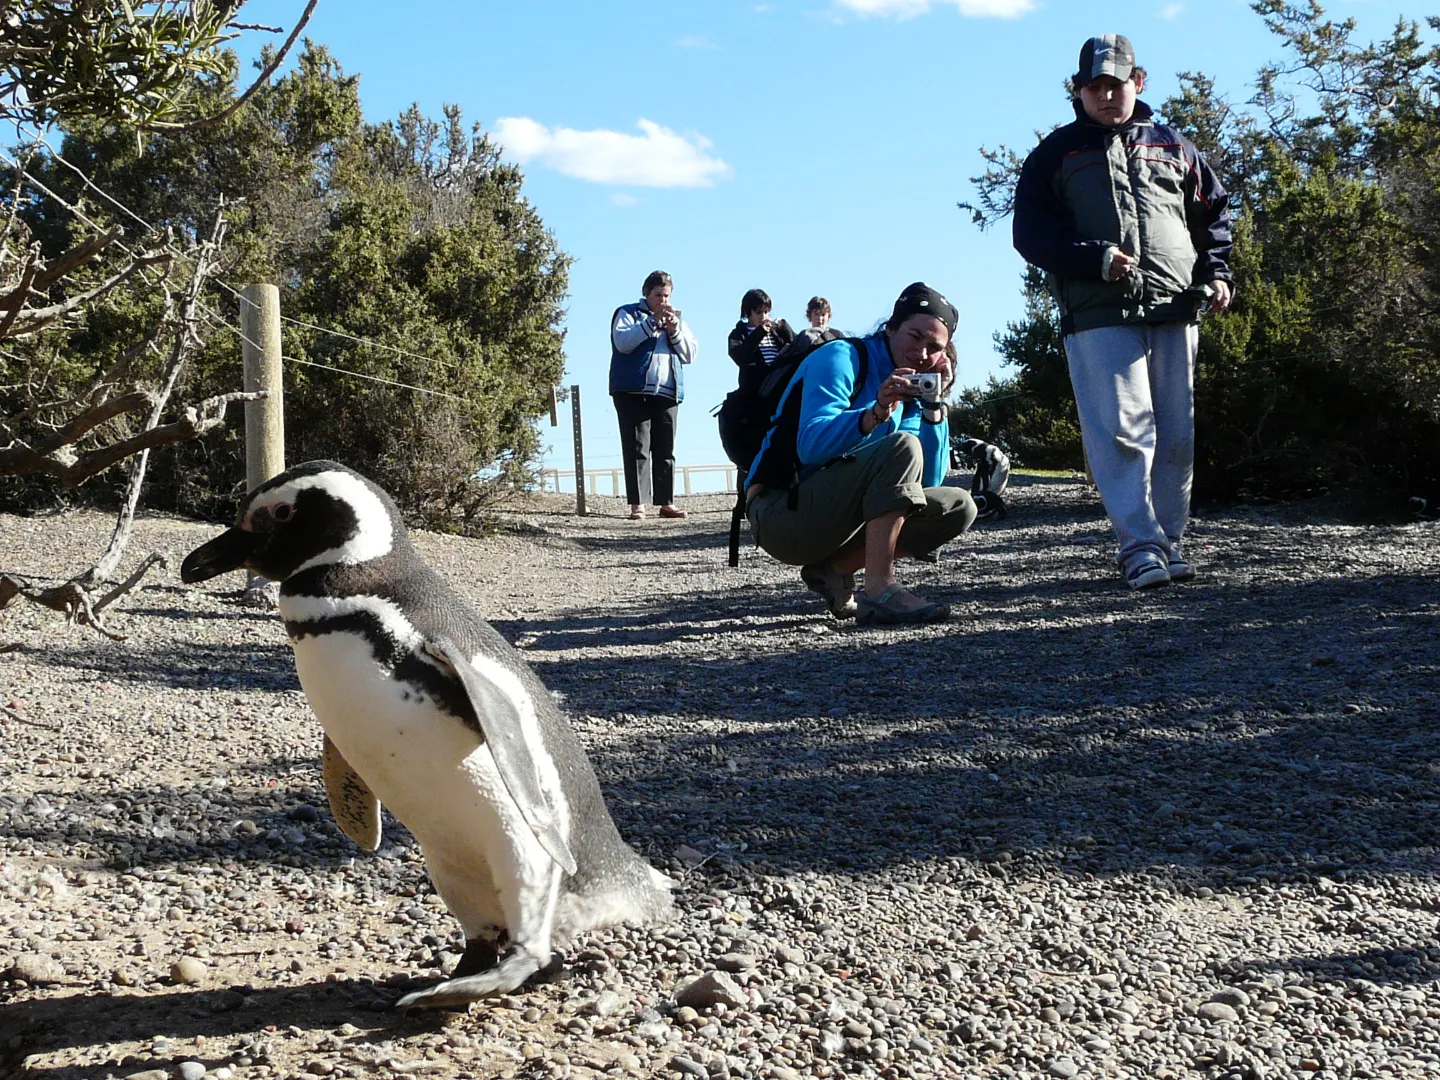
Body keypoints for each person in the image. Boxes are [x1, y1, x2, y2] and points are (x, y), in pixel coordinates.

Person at [1012, 34, 1234, 589]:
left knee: (1176, 432)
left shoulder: (1177, 147)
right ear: (1079, 91)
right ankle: (1138, 546)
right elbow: (1031, 234)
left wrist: (1218, 274)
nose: (1106, 95)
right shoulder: (1053, 155)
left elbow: (1214, 216)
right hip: (1098, 315)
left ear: (1139, 82)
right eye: (1095, 87)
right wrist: (1095, 258)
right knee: (1121, 432)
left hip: (1177, 306)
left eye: (1116, 84)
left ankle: (1169, 542)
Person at [744, 283, 978, 626]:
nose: (922, 353)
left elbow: (924, 484)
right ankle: (880, 592)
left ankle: (834, 570)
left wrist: (933, 406)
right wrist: (875, 413)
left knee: (957, 505)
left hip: (838, 518)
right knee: (902, 445)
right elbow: (810, 445)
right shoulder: (842, 357)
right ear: (891, 327)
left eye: (934, 347)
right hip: (782, 513)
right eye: (914, 336)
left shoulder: (911, 387)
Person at [609, 270, 698, 520]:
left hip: (667, 392)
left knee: (665, 448)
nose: (663, 301)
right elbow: (623, 342)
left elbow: (690, 354)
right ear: (646, 294)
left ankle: (666, 501)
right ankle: (638, 503)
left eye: (667, 295)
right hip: (632, 390)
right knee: (637, 446)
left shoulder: (677, 319)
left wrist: (674, 331)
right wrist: (650, 324)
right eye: (658, 295)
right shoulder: (627, 313)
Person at [726, 288, 795, 393]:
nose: (763, 316)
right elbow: (740, 357)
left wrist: (784, 327)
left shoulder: (776, 332)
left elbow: (797, 345)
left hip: (781, 385)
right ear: (748, 313)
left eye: (766, 312)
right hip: (755, 391)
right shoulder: (738, 334)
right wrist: (759, 332)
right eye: (758, 312)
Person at [779, 295, 844, 362]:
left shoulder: (837, 335)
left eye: (823, 314)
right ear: (810, 315)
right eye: (816, 314)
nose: (820, 318)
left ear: (829, 316)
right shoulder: (805, 337)